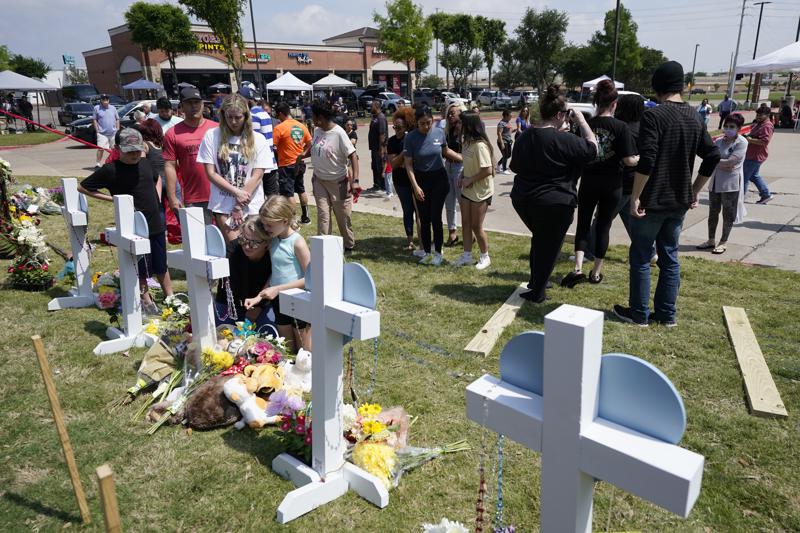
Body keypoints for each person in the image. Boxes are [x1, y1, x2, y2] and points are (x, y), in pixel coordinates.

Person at [613, 61, 720, 327]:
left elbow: (647, 160)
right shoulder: (695, 116)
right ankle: (666, 315)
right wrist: (694, 190)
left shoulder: (654, 116)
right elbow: (713, 154)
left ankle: (639, 313)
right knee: (670, 257)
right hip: (679, 201)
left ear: (657, 86)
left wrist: (636, 196)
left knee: (640, 255)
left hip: (652, 200)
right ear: (682, 85)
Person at [510, 85, 598, 303]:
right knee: (549, 246)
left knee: (540, 240)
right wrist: (582, 121)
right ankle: (537, 292)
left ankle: (536, 282)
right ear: (560, 115)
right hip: (556, 202)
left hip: (523, 200)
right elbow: (593, 149)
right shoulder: (564, 140)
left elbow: (514, 167)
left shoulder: (525, 137)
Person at [78, 128, 173, 313]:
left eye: (137, 150)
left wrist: (158, 196)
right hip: (133, 226)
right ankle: (147, 301)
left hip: (154, 221)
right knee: (141, 265)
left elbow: (156, 179)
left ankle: (170, 296)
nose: (135, 155)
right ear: (117, 148)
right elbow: (83, 187)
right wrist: (112, 199)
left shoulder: (145, 164)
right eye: (130, 151)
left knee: (161, 263)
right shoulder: (110, 170)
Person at [564, 80, 638, 287]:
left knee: (583, 224)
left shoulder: (587, 125)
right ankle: (595, 273)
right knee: (604, 227)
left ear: (597, 102)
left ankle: (577, 267)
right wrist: (641, 158)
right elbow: (628, 160)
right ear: (614, 104)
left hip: (589, 181)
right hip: (613, 184)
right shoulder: (621, 127)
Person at [197, 94, 274, 244]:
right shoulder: (212, 136)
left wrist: (239, 204)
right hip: (223, 204)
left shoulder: (258, 139)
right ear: (223, 115)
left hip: (251, 205)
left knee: (254, 247)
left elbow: (257, 175)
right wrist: (236, 193)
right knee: (235, 247)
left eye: (238, 117)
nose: (233, 122)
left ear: (245, 116)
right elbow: (211, 173)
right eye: (229, 117)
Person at [246, 196, 311, 353]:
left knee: (304, 350)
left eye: (269, 225)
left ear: (284, 221)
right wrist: (259, 297)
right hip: (279, 301)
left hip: (298, 301)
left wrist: (278, 289)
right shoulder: (274, 240)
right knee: (287, 348)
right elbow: (276, 274)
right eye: (264, 224)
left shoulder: (297, 243)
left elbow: (310, 279)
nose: (266, 229)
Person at [404, 106, 462, 266]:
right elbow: (408, 164)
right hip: (421, 181)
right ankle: (428, 253)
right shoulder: (410, 138)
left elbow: (445, 151)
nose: (426, 126)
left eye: (429, 123)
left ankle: (438, 252)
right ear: (416, 122)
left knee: (435, 217)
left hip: (439, 180)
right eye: (422, 123)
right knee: (424, 218)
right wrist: (415, 187)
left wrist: (461, 158)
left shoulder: (439, 132)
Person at [306, 102, 359, 251]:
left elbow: (353, 156)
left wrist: (355, 181)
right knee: (323, 215)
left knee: (343, 217)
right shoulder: (317, 130)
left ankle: (349, 245)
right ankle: (323, 248)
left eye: (314, 116)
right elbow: (314, 147)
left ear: (321, 118)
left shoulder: (339, 133)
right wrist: (301, 156)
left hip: (339, 182)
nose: (312, 119)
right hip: (319, 180)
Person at [163, 87, 217, 224]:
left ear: (203, 104)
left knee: (229, 242)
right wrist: (172, 196)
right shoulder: (173, 133)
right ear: (182, 107)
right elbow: (170, 166)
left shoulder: (217, 128)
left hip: (222, 195)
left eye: (197, 102)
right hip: (195, 197)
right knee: (202, 241)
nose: (194, 106)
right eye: (189, 103)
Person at [696, 113, 747, 255]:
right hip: (716, 182)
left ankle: (723, 242)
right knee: (713, 212)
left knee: (728, 213)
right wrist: (720, 163)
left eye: (732, 127)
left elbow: (731, 162)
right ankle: (710, 240)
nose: (728, 129)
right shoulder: (718, 141)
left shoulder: (742, 142)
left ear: (738, 128)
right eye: (726, 126)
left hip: (731, 184)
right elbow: (711, 159)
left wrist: (715, 161)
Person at [214, 216, 276, 331]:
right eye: (243, 239)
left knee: (268, 334)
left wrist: (259, 305)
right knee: (220, 332)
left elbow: (275, 281)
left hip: (263, 302)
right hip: (231, 302)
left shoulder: (274, 256)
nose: (247, 246)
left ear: (267, 242)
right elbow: (229, 286)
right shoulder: (233, 250)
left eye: (254, 243)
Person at [453, 111, 494, 270]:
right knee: (465, 223)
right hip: (467, 189)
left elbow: (488, 170)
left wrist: (469, 180)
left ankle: (485, 256)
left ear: (468, 125)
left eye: (460, 123)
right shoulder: (466, 142)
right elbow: (467, 162)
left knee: (477, 226)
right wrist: (463, 174)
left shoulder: (480, 145)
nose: (458, 125)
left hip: (481, 191)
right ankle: (467, 256)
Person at [273, 102, 312, 223]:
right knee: (301, 189)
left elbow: (273, 147)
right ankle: (305, 217)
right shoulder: (301, 126)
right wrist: (303, 154)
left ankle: (293, 220)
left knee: (288, 193)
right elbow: (310, 143)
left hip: (286, 165)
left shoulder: (279, 128)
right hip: (299, 164)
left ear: (280, 114)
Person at [387, 107, 420, 252]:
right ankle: (410, 241)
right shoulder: (392, 141)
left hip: (416, 180)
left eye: (400, 127)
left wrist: (403, 159)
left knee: (420, 211)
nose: (397, 130)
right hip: (401, 182)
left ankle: (422, 239)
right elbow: (393, 164)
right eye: (395, 127)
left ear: (407, 126)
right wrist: (405, 151)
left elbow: (415, 160)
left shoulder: (413, 138)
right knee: (408, 211)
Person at [239, 87, 278, 198]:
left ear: (248, 100)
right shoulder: (264, 114)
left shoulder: (252, 116)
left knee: (258, 197)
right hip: (270, 161)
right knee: (272, 198)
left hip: (259, 164)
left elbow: (253, 141)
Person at [443, 102, 467, 247]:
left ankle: (468, 233)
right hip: (448, 166)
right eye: (449, 113)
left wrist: (455, 156)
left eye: (453, 112)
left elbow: (468, 153)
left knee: (463, 203)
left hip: (460, 167)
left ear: (461, 113)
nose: (450, 115)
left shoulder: (465, 129)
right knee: (449, 202)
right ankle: (452, 233)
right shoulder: (448, 130)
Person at [742, 106, 774, 204]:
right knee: (753, 176)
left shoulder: (767, 126)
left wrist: (749, 139)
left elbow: (764, 141)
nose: (758, 116)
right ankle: (766, 195)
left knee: (744, 177)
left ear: (767, 115)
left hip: (755, 156)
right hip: (753, 154)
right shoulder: (759, 123)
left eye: (761, 115)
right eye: (757, 114)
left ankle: (739, 198)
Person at [92, 94, 120, 168]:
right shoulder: (97, 108)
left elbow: (117, 119)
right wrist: (97, 130)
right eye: (103, 100)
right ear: (101, 100)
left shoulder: (113, 108)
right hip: (102, 133)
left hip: (113, 132)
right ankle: (98, 163)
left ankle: (114, 161)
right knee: (101, 148)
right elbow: (94, 119)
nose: (105, 101)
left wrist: (118, 129)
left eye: (106, 99)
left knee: (114, 149)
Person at [368, 100, 388, 192]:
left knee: (380, 166)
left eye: (371, 106)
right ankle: (376, 185)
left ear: (377, 107)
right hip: (374, 147)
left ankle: (383, 186)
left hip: (379, 148)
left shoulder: (381, 118)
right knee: (375, 166)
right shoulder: (375, 117)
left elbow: (382, 134)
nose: (370, 108)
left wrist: (382, 148)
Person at [496, 109, 514, 174]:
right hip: (503, 141)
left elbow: (509, 132)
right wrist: (502, 143)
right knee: (505, 155)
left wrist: (515, 130)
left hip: (508, 141)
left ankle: (498, 164)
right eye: (510, 116)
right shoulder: (501, 123)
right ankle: (504, 169)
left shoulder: (508, 122)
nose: (511, 117)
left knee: (508, 155)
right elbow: (499, 133)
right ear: (506, 116)